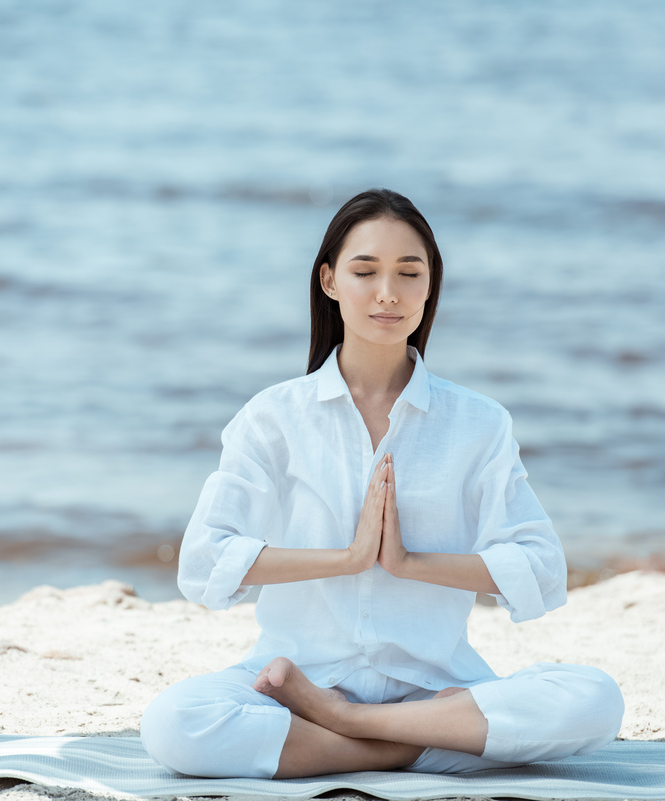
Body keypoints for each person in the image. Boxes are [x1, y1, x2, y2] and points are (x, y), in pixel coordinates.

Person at [140, 188, 624, 779]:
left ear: (430, 285)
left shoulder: (478, 423)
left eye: (408, 273)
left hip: (433, 690)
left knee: (596, 700)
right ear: (329, 281)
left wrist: (408, 562)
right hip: (303, 678)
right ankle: (415, 748)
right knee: (175, 724)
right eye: (365, 271)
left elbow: (542, 567)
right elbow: (203, 561)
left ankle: (351, 728)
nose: (388, 292)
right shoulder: (273, 418)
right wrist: (346, 559)